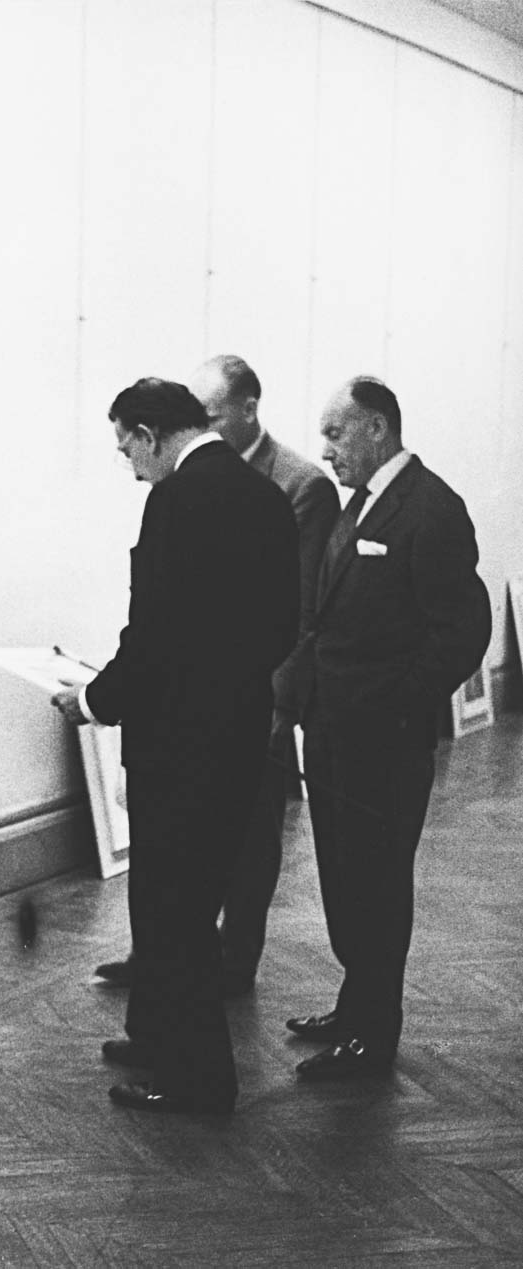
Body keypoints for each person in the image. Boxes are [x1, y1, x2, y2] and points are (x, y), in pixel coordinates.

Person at [53, 378, 300, 1114]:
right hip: (232, 731)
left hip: (178, 742)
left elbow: (154, 633)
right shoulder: (262, 493)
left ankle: (195, 1078)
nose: (126, 460)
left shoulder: (177, 498)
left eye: (126, 443)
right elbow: (282, 623)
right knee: (174, 896)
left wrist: (93, 700)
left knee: (176, 906)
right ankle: (156, 1028)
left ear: (152, 434)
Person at [94, 355, 340, 994]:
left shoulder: (292, 484)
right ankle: (171, 974)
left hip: (230, 711)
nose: (129, 467)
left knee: (235, 848)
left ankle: (226, 965)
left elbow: (302, 611)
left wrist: (270, 703)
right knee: (191, 871)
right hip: (222, 701)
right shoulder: (241, 487)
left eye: (128, 451)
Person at [287, 377, 491, 1079]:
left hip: (382, 740)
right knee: (344, 878)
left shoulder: (429, 508)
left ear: (375, 428)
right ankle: (353, 1006)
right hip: (332, 733)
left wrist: (399, 704)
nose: (325, 449)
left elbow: (464, 629)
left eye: (335, 433)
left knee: (375, 882)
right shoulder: (358, 506)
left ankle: (372, 1032)